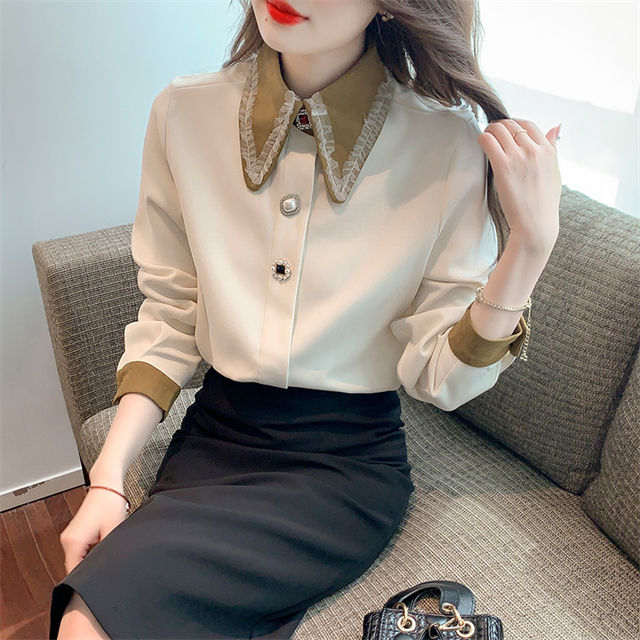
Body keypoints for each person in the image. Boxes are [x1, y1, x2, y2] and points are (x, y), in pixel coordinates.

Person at [49, 0, 562, 638]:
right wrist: (107, 478)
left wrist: (529, 248)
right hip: (214, 437)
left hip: (345, 468)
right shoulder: (183, 113)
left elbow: (440, 378)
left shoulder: (448, 142)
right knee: (94, 616)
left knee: (89, 619)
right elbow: (171, 311)